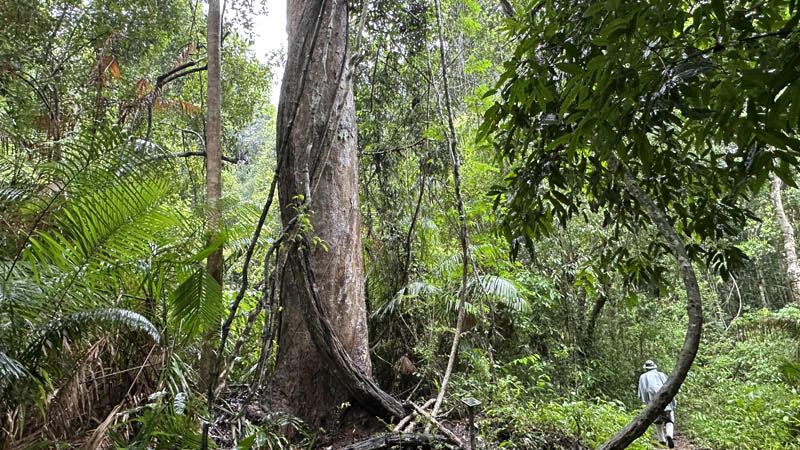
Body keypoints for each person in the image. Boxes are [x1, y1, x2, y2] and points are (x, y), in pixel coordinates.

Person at [638, 360, 676, 448]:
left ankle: (661, 439)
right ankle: (669, 435)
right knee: (669, 420)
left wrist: (646, 404)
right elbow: (670, 386)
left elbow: (643, 392)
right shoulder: (661, 375)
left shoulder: (643, 377)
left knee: (657, 421)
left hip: (653, 402)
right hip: (665, 401)